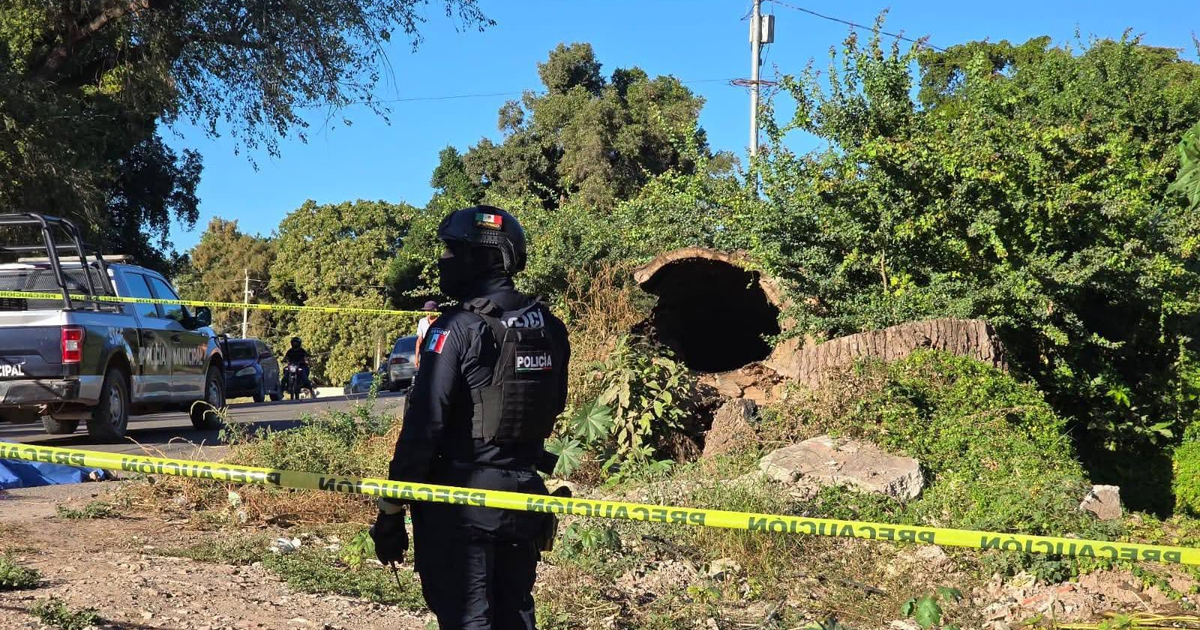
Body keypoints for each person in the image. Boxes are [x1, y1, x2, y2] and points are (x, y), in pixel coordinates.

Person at [371, 206, 571, 630]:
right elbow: (554, 407)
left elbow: (424, 426)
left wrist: (390, 512)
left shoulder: (457, 327)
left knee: (469, 619)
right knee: (515, 616)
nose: (443, 260)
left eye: (451, 250)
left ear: (480, 257)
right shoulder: (551, 327)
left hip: (460, 505)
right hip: (523, 498)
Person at [414, 300, 440, 369]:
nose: (427, 312)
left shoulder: (441, 320)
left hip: (438, 353)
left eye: (429, 310)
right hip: (425, 352)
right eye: (425, 310)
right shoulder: (422, 321)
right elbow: (419, 340)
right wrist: (416, 357)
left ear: (435, 310)